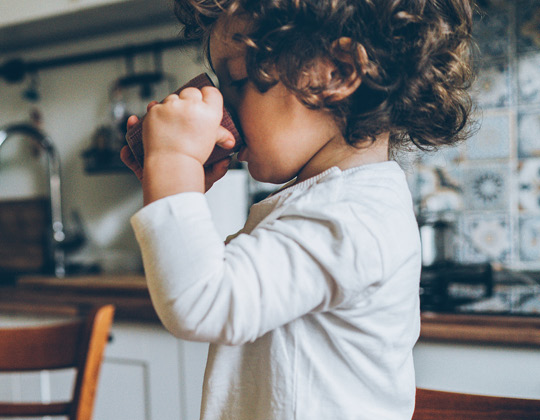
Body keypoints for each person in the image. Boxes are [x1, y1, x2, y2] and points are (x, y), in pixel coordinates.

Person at [120, 1, 472, 419]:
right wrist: (177, 181)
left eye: (237, 80)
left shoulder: (351, 216)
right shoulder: (325, 203)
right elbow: (220, 280)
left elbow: (202, 301)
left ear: (337, 73)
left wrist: (172, 161)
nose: (222, 104)